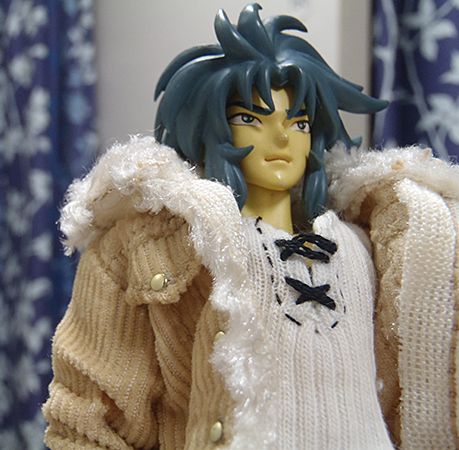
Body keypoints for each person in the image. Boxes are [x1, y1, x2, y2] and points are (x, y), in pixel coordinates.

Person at [43, 4, 459, 449]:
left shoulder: (367, 244)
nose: (281, 138)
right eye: (250, 119)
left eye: (298, 122)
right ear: (210, 128)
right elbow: (90, 418)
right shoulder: (156, 250)